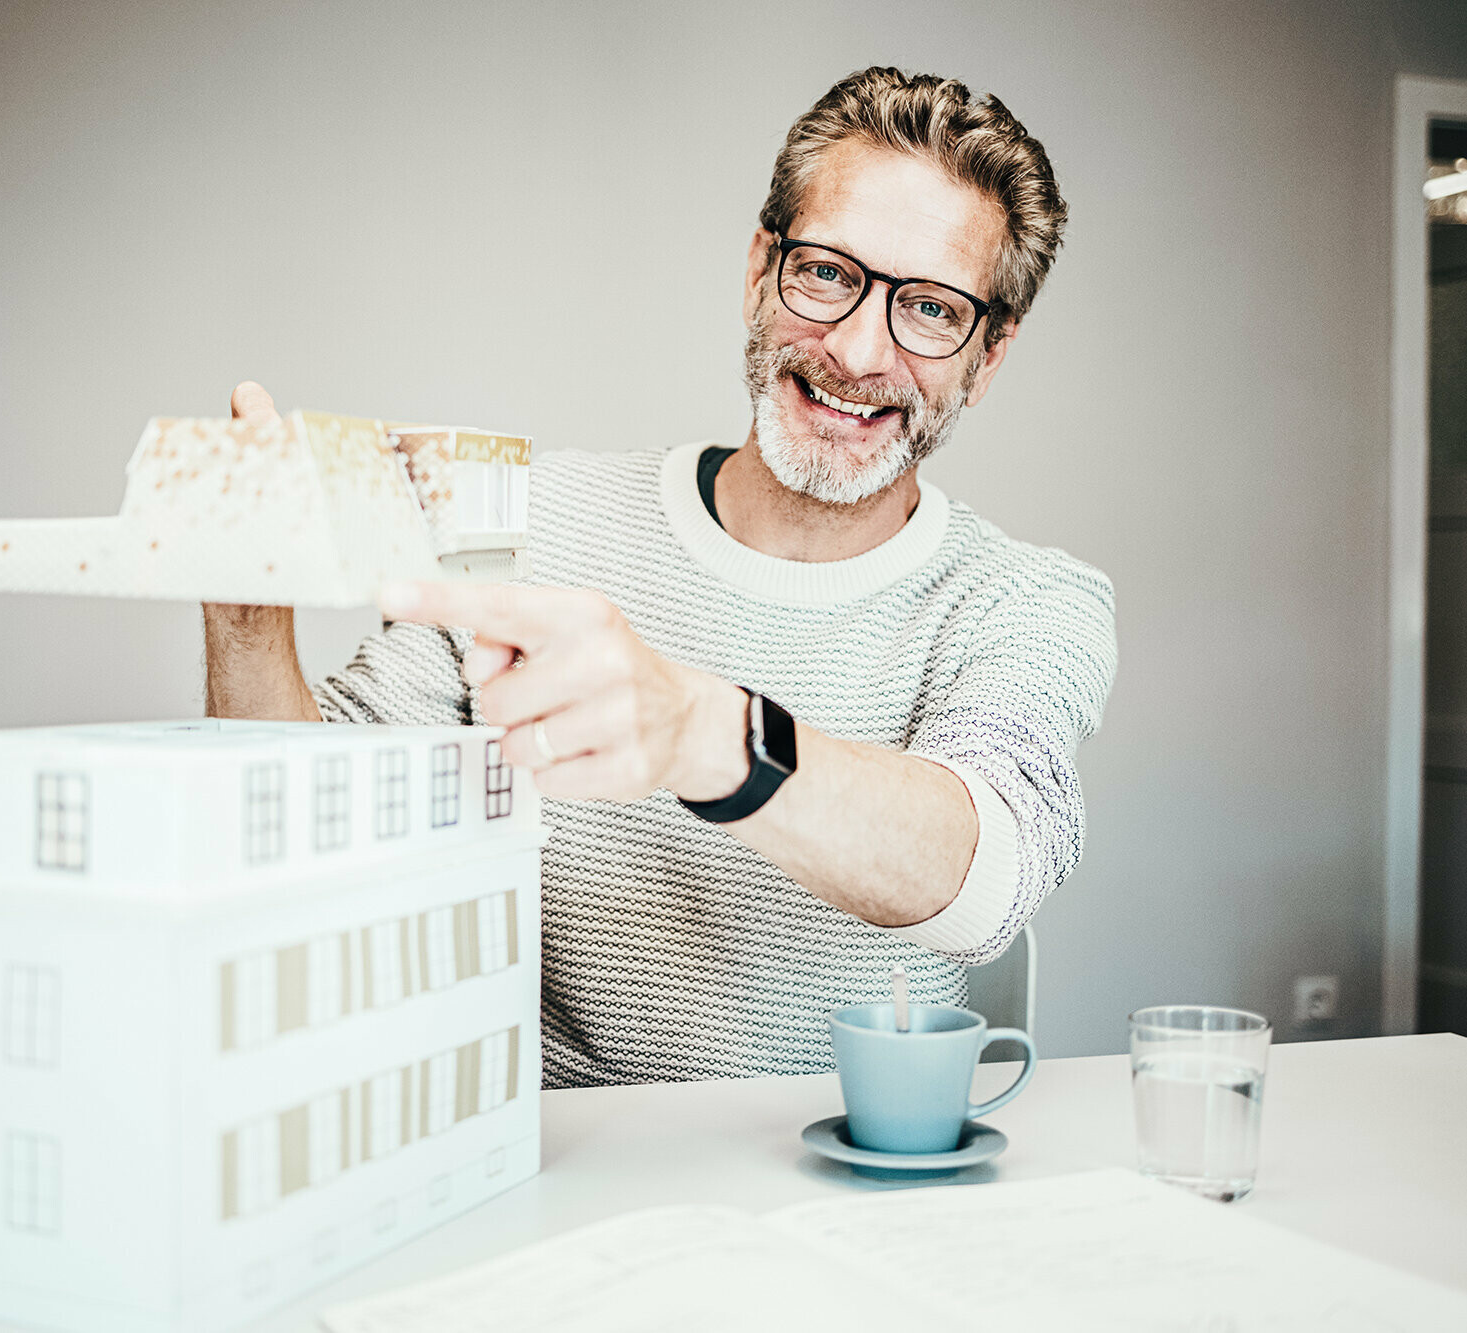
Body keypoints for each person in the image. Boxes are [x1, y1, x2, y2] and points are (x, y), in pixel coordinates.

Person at [203, 65, 1117, 1089]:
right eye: (826, 274)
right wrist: (246, 622)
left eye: (932, 310)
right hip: (542, 1177)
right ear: (758, 272)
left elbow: (985, 874)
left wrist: (696, 731)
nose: (860, 349)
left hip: (840, 1195)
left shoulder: (1029, 601)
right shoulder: (530, 519)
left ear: (986, 358)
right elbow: (300, 842)